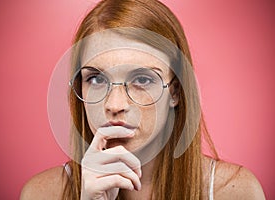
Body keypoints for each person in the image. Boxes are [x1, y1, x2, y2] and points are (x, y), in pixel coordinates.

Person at [20, 0, 265, 199]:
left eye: (142, 80)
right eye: (96, 79)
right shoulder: (42, 194)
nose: (115, 105)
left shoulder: (234, 191)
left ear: (175, 92)